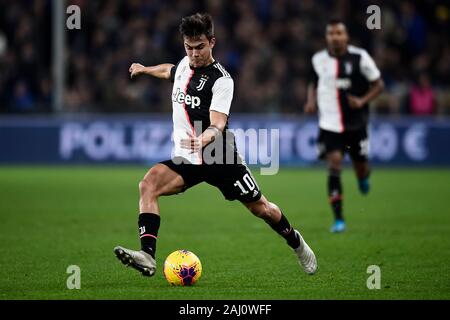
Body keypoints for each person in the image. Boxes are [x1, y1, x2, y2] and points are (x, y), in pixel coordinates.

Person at [114, 13, 317, 276]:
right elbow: (169, 71)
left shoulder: (221, 80)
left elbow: (218, 123)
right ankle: (147, 256)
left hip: (219, 155)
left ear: (212, 42)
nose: (194, 54)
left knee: (261, 209)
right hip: (188, 157)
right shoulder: (185, 65)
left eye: (200, 47)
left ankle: (296, 243)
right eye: (189, 47)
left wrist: (203, 138)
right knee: (148, 184)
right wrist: (145, 69)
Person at [304, 19, 384, 233]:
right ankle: (339, 219)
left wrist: (362, 101)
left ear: (346, 36)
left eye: (339, 33)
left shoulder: (360, 57)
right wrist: (310, 101)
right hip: (329, 124)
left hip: (356, 124)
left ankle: (363, 177)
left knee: (360, 167)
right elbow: (313, 82)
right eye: (331, 33)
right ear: (327, 37)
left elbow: (379, 84)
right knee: (335, 165)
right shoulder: (318, 59)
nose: (335, 37)